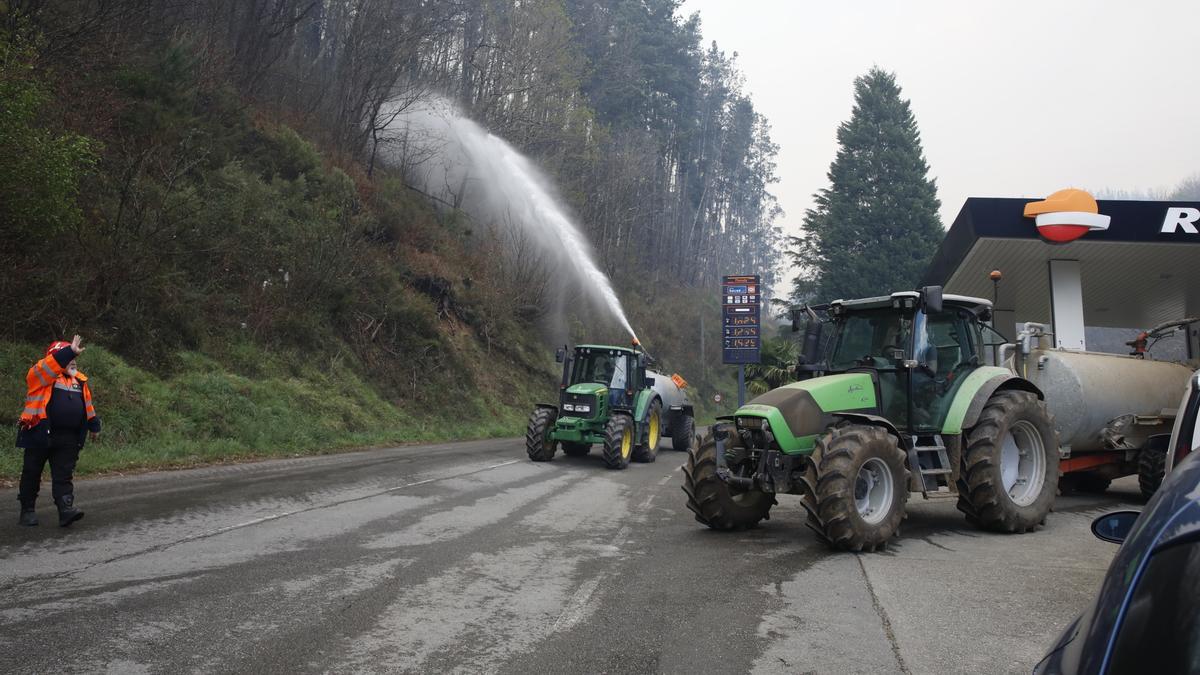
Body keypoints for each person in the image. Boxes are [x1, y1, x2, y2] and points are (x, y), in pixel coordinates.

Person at [16, 335, 101, 527]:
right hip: (39, 433)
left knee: (64, 475)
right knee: (32, 472)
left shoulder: (79, 381)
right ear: (55, 359)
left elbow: (88, 406)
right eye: (69, 357)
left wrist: (94, 425)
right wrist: (69, 351)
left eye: (74, 358)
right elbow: (49, 366)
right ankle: (27, 510)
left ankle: (65, 510)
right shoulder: (39, 375)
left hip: (68, 438)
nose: (73, 361)